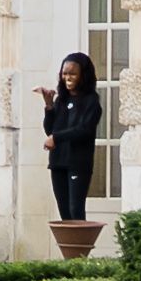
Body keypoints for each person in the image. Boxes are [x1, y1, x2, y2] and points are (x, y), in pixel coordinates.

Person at [41, 50, 102, 235]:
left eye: (73, 74)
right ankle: (70, 258)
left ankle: (80, 256)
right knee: (65, 213)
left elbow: (84, 130)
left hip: (77, 163)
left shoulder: (91, 102)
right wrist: (49, 106)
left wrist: (56, 138)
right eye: (65, 73)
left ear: (83, 75)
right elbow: (50, 130)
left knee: (76, 211)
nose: (68, 77)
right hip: (58, 162)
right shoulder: (61, 100)